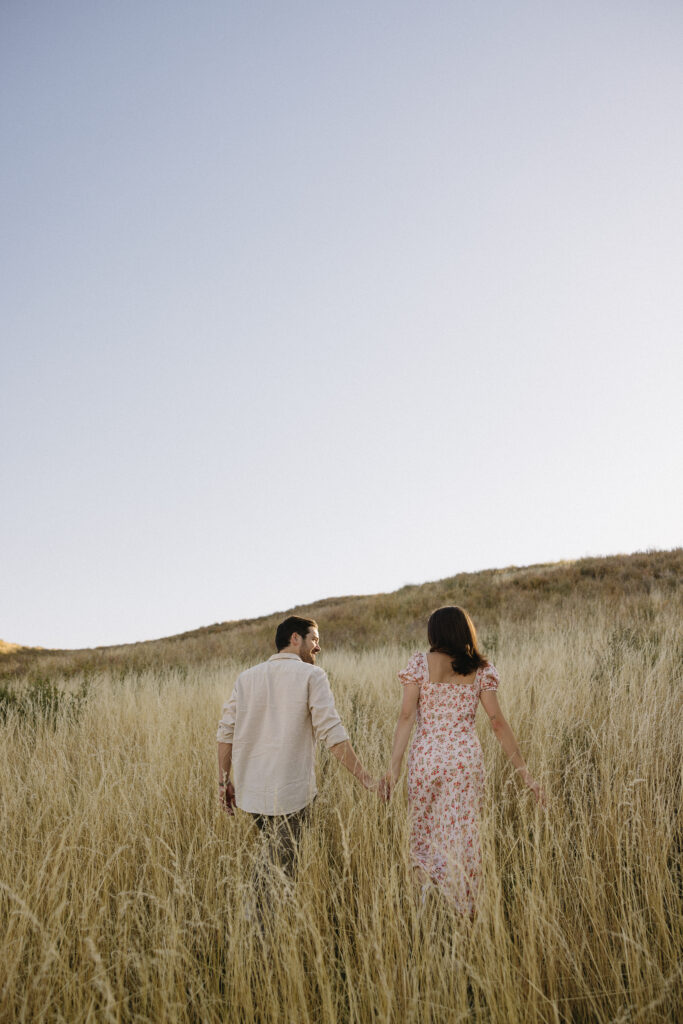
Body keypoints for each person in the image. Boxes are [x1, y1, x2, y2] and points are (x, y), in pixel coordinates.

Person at [383, 606, 544, 916]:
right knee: (462, 834)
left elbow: (406, 715)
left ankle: (423, 909)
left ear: (435, 633)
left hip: (427, 758)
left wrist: (394, 767)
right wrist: (527, 775)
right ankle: (463, 908)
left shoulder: (419, 664)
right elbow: (497, 722)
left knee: (423, 831)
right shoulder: (481, 669)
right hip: (464, 761)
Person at [217, 615, 379, 883]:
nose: (318, 647)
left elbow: (225, 732)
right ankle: (256, 921)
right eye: (314, 639)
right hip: (290, 796)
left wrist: (224, 781)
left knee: (272, 857)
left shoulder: (246, 678)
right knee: (279, 875)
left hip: (251, 796)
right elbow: (332, 732)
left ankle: (257, 918)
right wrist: (366, 778)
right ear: (295, 638)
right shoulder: (312, 675)